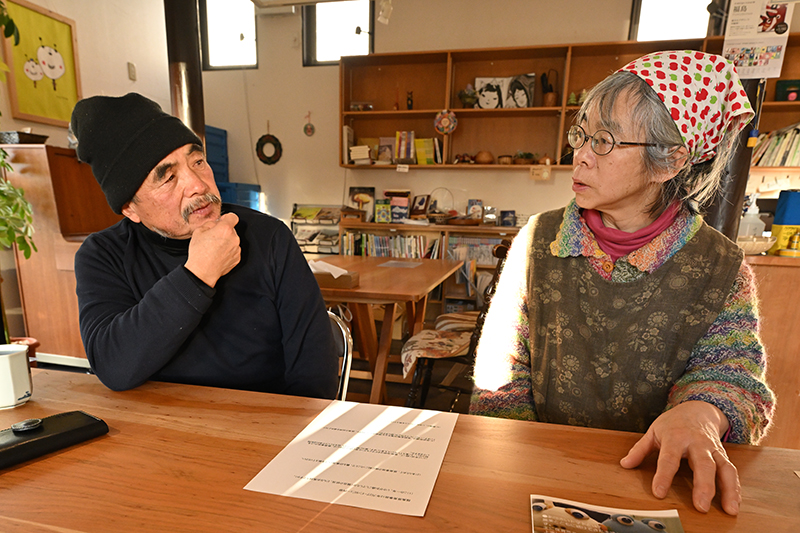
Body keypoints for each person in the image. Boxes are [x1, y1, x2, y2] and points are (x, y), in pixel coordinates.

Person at [470, 51, 775, 516]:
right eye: (581, 133)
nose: (582, 155)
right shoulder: (539, 241)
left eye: (606, 141)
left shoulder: (720, 268)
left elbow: (732, 377)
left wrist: (702, 412)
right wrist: (524, 464)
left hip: (656, 486)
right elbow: (500, 376)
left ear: (670, 161)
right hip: (539, 476)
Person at [70, 93, 338, 399]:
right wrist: (197, 275)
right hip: (156, 431)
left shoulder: (268, 238)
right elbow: (113, 366)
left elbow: (315, 372)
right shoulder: (103, 255)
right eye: (169, 177)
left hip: (265, 427)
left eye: (198, 161)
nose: (198, 184)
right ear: (130, 207)